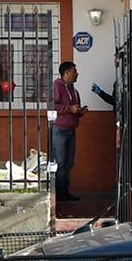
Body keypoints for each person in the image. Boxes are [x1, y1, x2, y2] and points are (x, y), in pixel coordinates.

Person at [52, 61, 87, 201]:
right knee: (59, 162)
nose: (77, 73)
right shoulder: (56, 86)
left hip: (71, 129)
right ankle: (59, 194)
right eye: (74, 71)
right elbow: (53, 105)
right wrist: (69, 109)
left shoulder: (74, 90)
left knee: (68, 163)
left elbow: (74, 109)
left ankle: (64, 191)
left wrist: (79, 112)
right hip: (59, 129)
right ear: (67, 73)